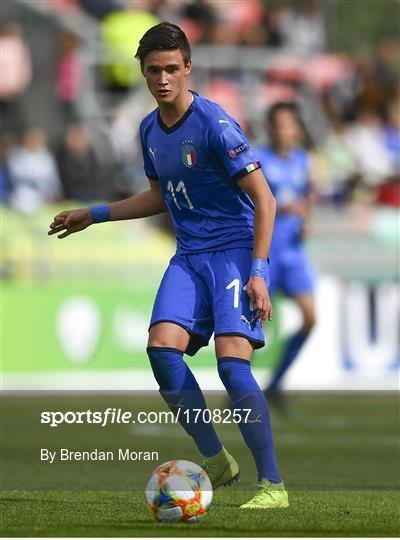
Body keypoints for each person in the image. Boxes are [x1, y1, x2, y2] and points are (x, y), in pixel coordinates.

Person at [48, 22, 288, 510]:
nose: (163, 79)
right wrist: (93, 214)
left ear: (188, 69)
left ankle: (272, 486)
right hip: (189, 255)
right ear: (141, 71)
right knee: (161, 349)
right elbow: (158, 196)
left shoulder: (216, 124)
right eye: (154, 70)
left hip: (235, 252)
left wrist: (259, 271)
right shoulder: (148, 129)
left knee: (232, 364)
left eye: (172, 69)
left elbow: (265, 198)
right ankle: (216, 459)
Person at [257, 103, 316, 403]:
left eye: (289, 125)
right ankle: (241, 390)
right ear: (270, 128)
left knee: (310, 317)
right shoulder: (259, 160)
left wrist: (306, 219)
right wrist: (282, 208)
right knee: (254, 325)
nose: (284, 131)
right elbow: (253, 202)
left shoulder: (303, 160)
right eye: (279, 125)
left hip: (293, 253)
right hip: (267, 251)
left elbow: (307, 195)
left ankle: (276, 384)